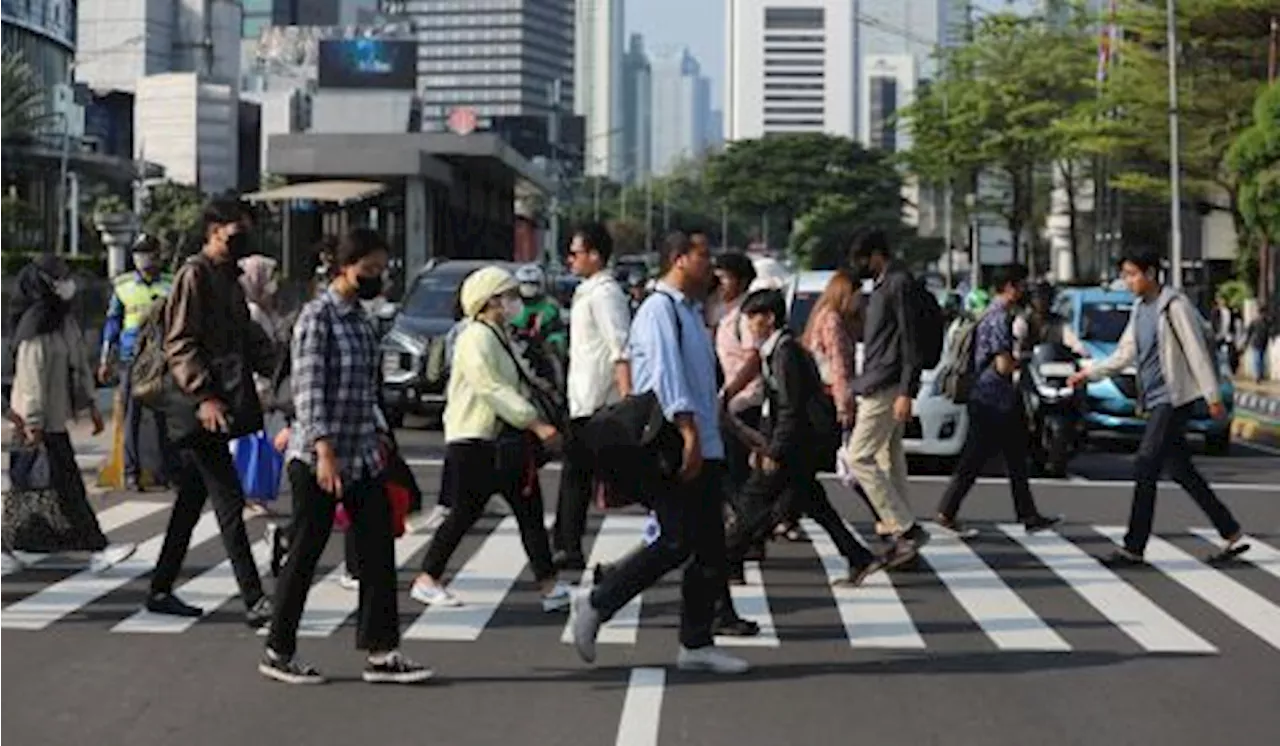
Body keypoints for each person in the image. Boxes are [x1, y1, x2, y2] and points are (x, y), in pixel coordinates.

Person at [569, 231, 750, 675]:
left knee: (709, 548)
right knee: (675, 540)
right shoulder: (659, 309)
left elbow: (702, 383)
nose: (711, 266)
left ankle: (696, 642)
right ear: (679, 259)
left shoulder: (690, 312)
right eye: (703, 256)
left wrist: (721, 430)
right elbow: (666, 378)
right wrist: (689, 432)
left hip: (704, 444)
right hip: (678, 445)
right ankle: (597, 602)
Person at [259, 228, 432, 686]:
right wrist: (323, 451)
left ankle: (382, 651)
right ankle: (279, 650)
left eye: (382, 269)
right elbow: (309, 390)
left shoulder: (360, 318)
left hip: (361, 455)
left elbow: (365, 388)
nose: (377, 278)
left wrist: (378, 436)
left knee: (377, 550)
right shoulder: (318, 317)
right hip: (319, 457)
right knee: (306, 550)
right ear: (343, 267)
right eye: (369, 270)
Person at [143, 198, 275, 628]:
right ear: (215, 229)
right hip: (198, 409)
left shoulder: (228, 280)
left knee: (192, 499)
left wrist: (283, 367)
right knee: (229, 500)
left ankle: (161, 588)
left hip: (217, 404)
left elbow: (246, 339)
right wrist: (204, 397)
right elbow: (180, 343)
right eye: (238, 229)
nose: (244, 236)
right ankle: (255, 600)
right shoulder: (195, 274)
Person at [1067, 250, 1245, 565]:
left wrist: (1213, 397)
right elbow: (1125, 354)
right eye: (1125, 274)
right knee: (1181, 470)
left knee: (1145, 464)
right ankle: (1230, 530)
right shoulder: (1140, 309)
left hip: (1174, 398)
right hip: (1155, 399)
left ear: (1151, 274)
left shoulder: (1173, 306)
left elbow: (1195, 351)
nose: (1128, 281)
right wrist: (1089, 373)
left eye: (1132, 274)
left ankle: (1134, 546)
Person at [409, 267, 572, 611]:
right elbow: (491, 388)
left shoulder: (497, 334)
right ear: (489, 301)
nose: (514, 302)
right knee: (465, 513)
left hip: (498, 439)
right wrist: (535, 423)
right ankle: (427, 578)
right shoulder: (476, 337)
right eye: (507, 296)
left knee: (526, 511)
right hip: (476, 439)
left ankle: (549, 586)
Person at [726, 289, 885, 586]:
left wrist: (773, 450)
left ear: (769, 319)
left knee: (751, 502)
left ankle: (727, 565)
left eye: (753, 319)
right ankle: (859, 557)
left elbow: (790, 408)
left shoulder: (785, 353)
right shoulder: (778, 350)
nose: (749, 327)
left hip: (794, 445)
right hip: (799, 443)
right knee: (816, 505)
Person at [6, 254, 135, 572]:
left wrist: (90, 405)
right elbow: (31, 379)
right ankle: (97, 547)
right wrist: (33, 422)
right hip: (37, 421)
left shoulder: (62, 319)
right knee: (61, 487)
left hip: (53, 419)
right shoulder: (35, 325)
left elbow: (77, 365)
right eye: (59, 277)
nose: (67, 283)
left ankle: (23, 546)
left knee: (31, 486)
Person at [934, 265, 1063, 536]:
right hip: (993, 397)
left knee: (1014, 456)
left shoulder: (989, 314)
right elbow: (1003, 364)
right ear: (1010, 287)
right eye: (1021, 285)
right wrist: (1023, 360)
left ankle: (1028, 514)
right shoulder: (999, 318)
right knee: (976, 457)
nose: (1025, 291)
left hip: (992, 396)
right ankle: (947, 511)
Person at [844, 229, 931, 568]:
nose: (859, 267)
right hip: (883, 380)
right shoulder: (885, 285)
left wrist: (908, 391)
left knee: (860, 457)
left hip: (887, 383)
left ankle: (904, 527)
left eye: (862, 260)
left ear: (877, 254)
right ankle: (903, 534)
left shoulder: (898, 284)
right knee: (888, 459)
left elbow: (911, 341)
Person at [552, 222, 633, 570]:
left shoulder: (605, 294)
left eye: (575, 253)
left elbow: (621, 348)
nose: (570, 259)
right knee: (578, 476)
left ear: (595, 255)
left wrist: (629, 401)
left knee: (586, 475)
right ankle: (566, 544)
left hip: (600, 404)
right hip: (584, 400)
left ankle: (567, 545)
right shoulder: (588, 290)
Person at [99, 235, 175, 491]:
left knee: (165, 416)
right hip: (131, 359)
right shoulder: (122, 287)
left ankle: (165, 472)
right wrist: (105, 359)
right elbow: (112, 324)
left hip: (163, 360)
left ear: (157, 255)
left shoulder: (171, 284)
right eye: (138, 253)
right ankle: (132, 472)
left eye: (147, 253)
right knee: (132, 416)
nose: (143, 258)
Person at [237, 254, 286, 519]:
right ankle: (251, 494)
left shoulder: (267, 311)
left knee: (267, 444)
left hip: (270, 385)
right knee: (257, 444)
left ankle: (257, 494)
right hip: (260, 388)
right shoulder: (253, 312)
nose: (273, 286)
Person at [512, 264, 568, 356]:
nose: (528, 287)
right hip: (518, 347)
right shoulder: (512, 304)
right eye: (524, 283)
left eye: (533, 283)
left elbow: (558, 329)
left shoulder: (550, 304)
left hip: (545, 347)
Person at [1246, 305, 1269, 383]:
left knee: (1260, 359)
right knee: (1258, 359)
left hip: (1260, 342)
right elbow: (1249, 332)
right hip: (1257, 342)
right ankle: (1258, 376)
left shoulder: (1263, 321)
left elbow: (1249, 332)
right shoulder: (1258, 321)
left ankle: (1259, 375)